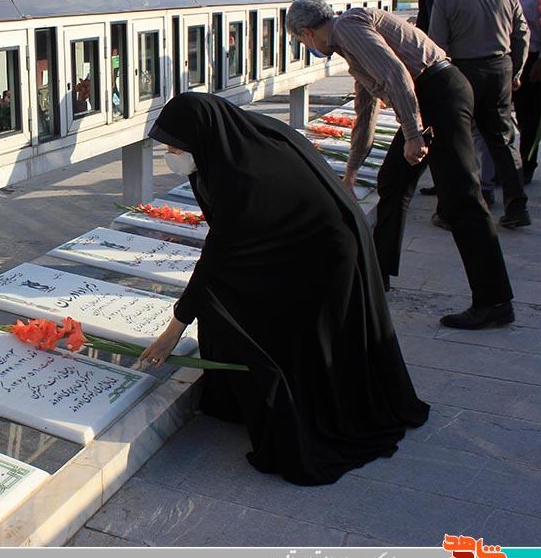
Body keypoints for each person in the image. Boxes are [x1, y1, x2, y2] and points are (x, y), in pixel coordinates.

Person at [139, 93, 429, 486]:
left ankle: (305, 408)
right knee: (226, 294)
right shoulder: (233, 144)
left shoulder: (240, 172)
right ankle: (233, 400)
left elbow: (219, 256)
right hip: (302, 239)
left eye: (176, 147)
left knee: (256, 314)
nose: (172, 155)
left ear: (200, 137)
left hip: (325, 251)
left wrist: (173, 330)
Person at [286, 0, 515, 329]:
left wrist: (413, 133)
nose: (307, 47)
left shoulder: (348, 28)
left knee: (461, 198)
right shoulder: (349, 43)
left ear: (306, 33)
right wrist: (352, 170)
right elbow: (367, 109)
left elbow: (396, 74)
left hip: (439, 93)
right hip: (429, 97)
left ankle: (494, 301)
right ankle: (378, 275)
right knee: (393, 181)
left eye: (302, 41)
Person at [430, 0, 531, 228]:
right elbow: (521, 34)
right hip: (500, 67)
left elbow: (437, 47)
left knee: (458, 140)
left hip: (464, 71)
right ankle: (516, 207)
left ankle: (455, 209)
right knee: (502, 139)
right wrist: (516, 72)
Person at [503, 0, 541, 184]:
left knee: (529, 117)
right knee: (501, 118)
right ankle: (504, 167)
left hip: (533, 61)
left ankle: (526, 166)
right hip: (505, 59)